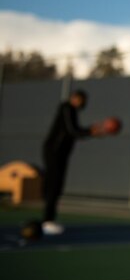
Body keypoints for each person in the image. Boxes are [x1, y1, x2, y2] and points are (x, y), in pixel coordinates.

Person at [41, 89, 102, 235]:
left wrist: (90, 131)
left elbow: (74, 130)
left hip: (60, 153)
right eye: (82, 101)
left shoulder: (71, 110)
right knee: (54, 184)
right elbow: (72, 130)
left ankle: (48, 219)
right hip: (54, 151)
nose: (83, 104)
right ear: (75, 98)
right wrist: (90, 132)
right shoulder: (67, 108)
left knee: (56, 184)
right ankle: (47, 220)